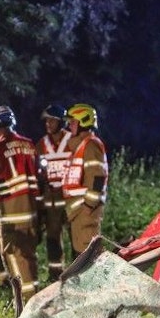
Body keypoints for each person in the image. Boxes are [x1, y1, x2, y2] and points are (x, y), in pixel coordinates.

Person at [0, 103, 41, 315]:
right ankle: (36, 300)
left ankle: (24, 308)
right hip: (31, 212)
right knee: (29, 257)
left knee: (13, 258)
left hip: (9, 215)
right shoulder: (29, 145)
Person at [61, 103, 108, 258]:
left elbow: (97, 178)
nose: (69, 126)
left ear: (84, 122)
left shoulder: (91, 145)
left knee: (88, 255)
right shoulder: (78, 146)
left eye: (73, 122)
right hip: (78, 209)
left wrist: (89, 205)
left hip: (86, 209)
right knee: (80, 253)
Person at [35, 103, 73, 280]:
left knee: (76, 237)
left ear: (61, 122)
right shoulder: (41, 144)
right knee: (52, 237)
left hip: (70, 197)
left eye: (51, 120)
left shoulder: (73, 140)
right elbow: (38, 174)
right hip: (51, 198)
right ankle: (55, 273)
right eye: (46, 121)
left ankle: (80, 271)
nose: (48, 124)